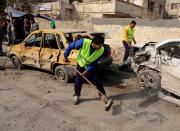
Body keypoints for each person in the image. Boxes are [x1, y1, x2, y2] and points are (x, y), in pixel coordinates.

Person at [63, 35, 106, 105]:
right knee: (78, 79)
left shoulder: (101, 50)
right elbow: (70, 46)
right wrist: (65, 55)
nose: (101, 47)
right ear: (94, 44)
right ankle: (77, 95)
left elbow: (95, 62)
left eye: (101, 45)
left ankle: (102, 95)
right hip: (81, 63)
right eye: (100, 46)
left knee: (97, 79)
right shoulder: (83, 42)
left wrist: (87, 70)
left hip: (92, 65)